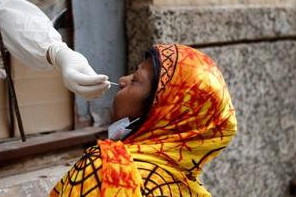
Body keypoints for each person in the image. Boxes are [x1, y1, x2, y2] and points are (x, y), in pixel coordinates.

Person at [50, 43, 237, 196]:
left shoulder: (107, 170)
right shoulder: (189, 191)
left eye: (135, 80)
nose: (123, 80)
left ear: (161, 113)